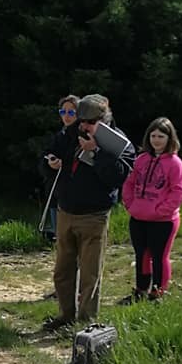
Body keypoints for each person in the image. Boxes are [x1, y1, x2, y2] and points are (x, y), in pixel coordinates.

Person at [42, 94, 135, 331]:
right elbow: (49, 155)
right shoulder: (70, 134)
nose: (83, 126)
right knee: (63, 270)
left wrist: (96, 151)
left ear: (104, 120)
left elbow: (117, 177)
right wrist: (50, 162)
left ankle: (85, 323)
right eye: (81, 120)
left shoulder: (119, 143)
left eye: (89, 122)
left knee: (90, 274)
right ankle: (65, 316)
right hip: (66, 210)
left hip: (94, 215)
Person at [120, 117, 182, 303]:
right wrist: (130, 204)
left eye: (161, 136)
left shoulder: (175, 163)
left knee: (159, 257)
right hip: (139, 217)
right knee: (141, 255)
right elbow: (129, 183)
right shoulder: (141, 160)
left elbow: (179, 191)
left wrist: (161, 211)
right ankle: (141, 290)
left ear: (169, 139)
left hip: (163, 221)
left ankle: (158, 293)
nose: (156, 140)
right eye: (153, 135)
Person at [39, 95, 79, 242]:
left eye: (71, 112)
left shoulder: (83, 136)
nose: (66, 116)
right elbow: (45, 155)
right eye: (63, 112)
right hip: (56, 194)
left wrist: (65, 164)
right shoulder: (59, 135)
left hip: (75, 198)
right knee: (62, 243)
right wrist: (50, 162)